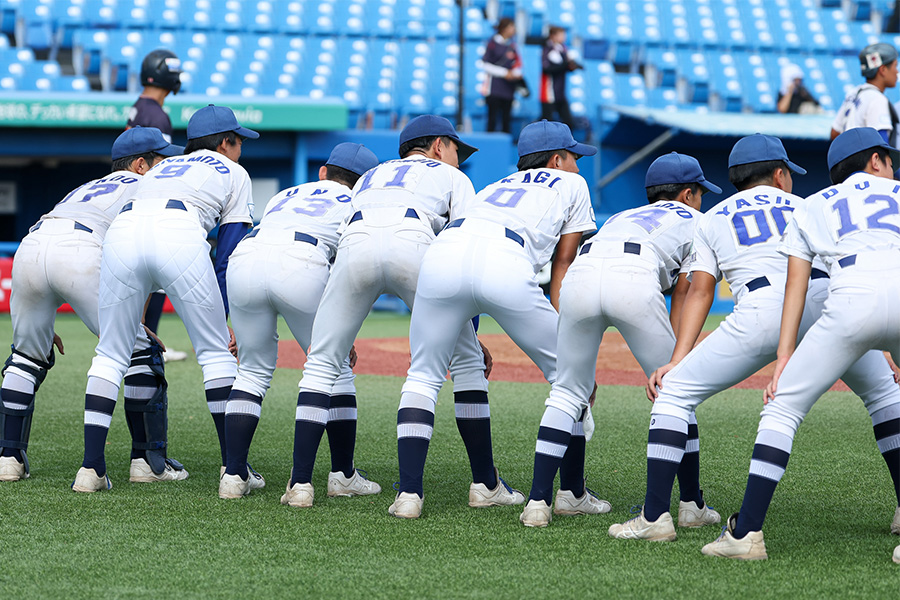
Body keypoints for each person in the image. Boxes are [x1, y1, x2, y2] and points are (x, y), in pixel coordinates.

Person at [606, 133, 900, 546]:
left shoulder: (714, 216)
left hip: (761, 309)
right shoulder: (809, 203)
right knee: (887, 397)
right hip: (829, 301)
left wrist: (678, 358)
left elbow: (701, 289)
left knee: (674, 394)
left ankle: (656, 516)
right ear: (780, 174)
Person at [702, 128, 900, 560]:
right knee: (889, 396)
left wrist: (784, 355)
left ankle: (746, 534)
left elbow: (797, 284)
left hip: (849, 300)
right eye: (888, 158)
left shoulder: (815, 204)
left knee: (782, 407)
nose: (892, 165)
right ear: (873, 161)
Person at [390, 120, 597, 520]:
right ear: (558, 159)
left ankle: (408, 496)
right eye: (574, 157)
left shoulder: (494, 186)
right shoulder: (571, 184)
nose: (577, 165)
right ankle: (570, 494)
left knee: (422, 376)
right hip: (505, 261)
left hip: (442, 258)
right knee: (572, 376)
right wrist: (567, 338)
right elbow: (564, 263)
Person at [282, 115, 491, 510]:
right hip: (414, 241)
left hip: (356, 243)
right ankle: (474, 486)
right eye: (456, 149)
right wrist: (470, 332)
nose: (458, 158)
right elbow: (462, 246)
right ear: (436, 146)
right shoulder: (452, 178)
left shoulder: (370, 176)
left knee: (322, 364)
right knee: (464, 364)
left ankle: (300, 485)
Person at [520, 152, 721, 527]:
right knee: (677, 391)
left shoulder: (621, 215)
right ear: (689, 194)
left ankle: (537, 503)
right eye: (700, 193)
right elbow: (687, 290)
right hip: (634, 276)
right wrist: (676, 357)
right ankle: (692, 505)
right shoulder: (700, 220)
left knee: (566, 391)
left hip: (581, 275)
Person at [72, 104, 258, 492]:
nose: (241, 148)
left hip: (123, 233)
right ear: (225, 143)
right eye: (238, 141)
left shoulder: (158, 169)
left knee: (109, 354)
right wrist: (231, 319)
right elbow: (229, 252)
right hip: (180, 231)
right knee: (214, 353)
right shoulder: (233, 171)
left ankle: (91, 470)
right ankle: (233, 471)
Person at [0, 128, 182, 482]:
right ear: (141, 164)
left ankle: (8, 459)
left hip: (31, 248)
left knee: (26, 357)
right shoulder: (148, 187)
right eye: (162, 160)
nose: (167, 167)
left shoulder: (85, 186)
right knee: (140, 352)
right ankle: (148, 464)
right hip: (82, 251)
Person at [218, 142, 380, 500]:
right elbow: (351, 263)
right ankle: (332, 477)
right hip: (303, 259)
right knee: (332, 368)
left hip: (246, 256)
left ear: (324, 172)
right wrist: (342, 328)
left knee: (251, 371)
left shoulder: (288, 193)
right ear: (365, 182)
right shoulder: (361, 201)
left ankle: (232, 476)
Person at [127, 48, 187, 363]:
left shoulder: (139, 108)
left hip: (130, 199)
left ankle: (142, 341)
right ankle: (146, 344)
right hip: (148, 201)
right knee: (156, 276)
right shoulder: (157, 115)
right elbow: (159, 165)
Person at [831, 43, 899, 144]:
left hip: (849, 157)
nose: (897, 72)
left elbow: (834, 133)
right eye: (895, 66)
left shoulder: (854, 92)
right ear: (883, 70)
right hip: (865, 159)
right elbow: (882, 144)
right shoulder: (877, 99)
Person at [481, 17, 524, 134]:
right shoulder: (492, 43)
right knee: (492, 120)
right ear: (504, 28)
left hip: (508, 89)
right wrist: (505, 73)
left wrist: (516, 73)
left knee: (506, 120)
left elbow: (517, 63)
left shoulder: (512, 45)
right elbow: (485, 65)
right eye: (512, 27)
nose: (514, 30)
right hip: (494, 88)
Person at [540, 26, 580, 130]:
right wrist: (566, 65)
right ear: (553, 36)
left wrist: (572, 66)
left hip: (560, 92)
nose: (564, 37)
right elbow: (547, 68)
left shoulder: (563, 49)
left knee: (568, 122)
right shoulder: (547, 49)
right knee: (546, 122)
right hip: (549, 92)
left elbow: (565, 66)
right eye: (561, 35)